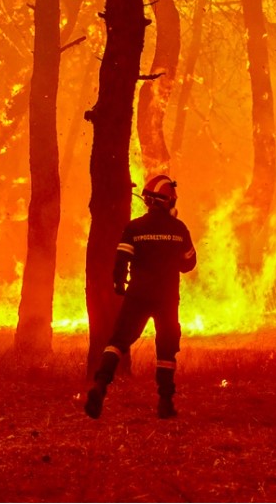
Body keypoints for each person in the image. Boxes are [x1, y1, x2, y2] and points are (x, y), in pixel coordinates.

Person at [85, 175, 197, 420]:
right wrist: (171, 259)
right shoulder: (179, 229)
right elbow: (190, 263)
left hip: (138, 293)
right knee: (166, 348)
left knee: (118, 340)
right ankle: (165, 402)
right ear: (168, 201)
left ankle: (100, 385)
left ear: (147, 201)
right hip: (167, 297)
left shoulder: (134, 228)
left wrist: (118, 283)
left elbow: (122, 258)